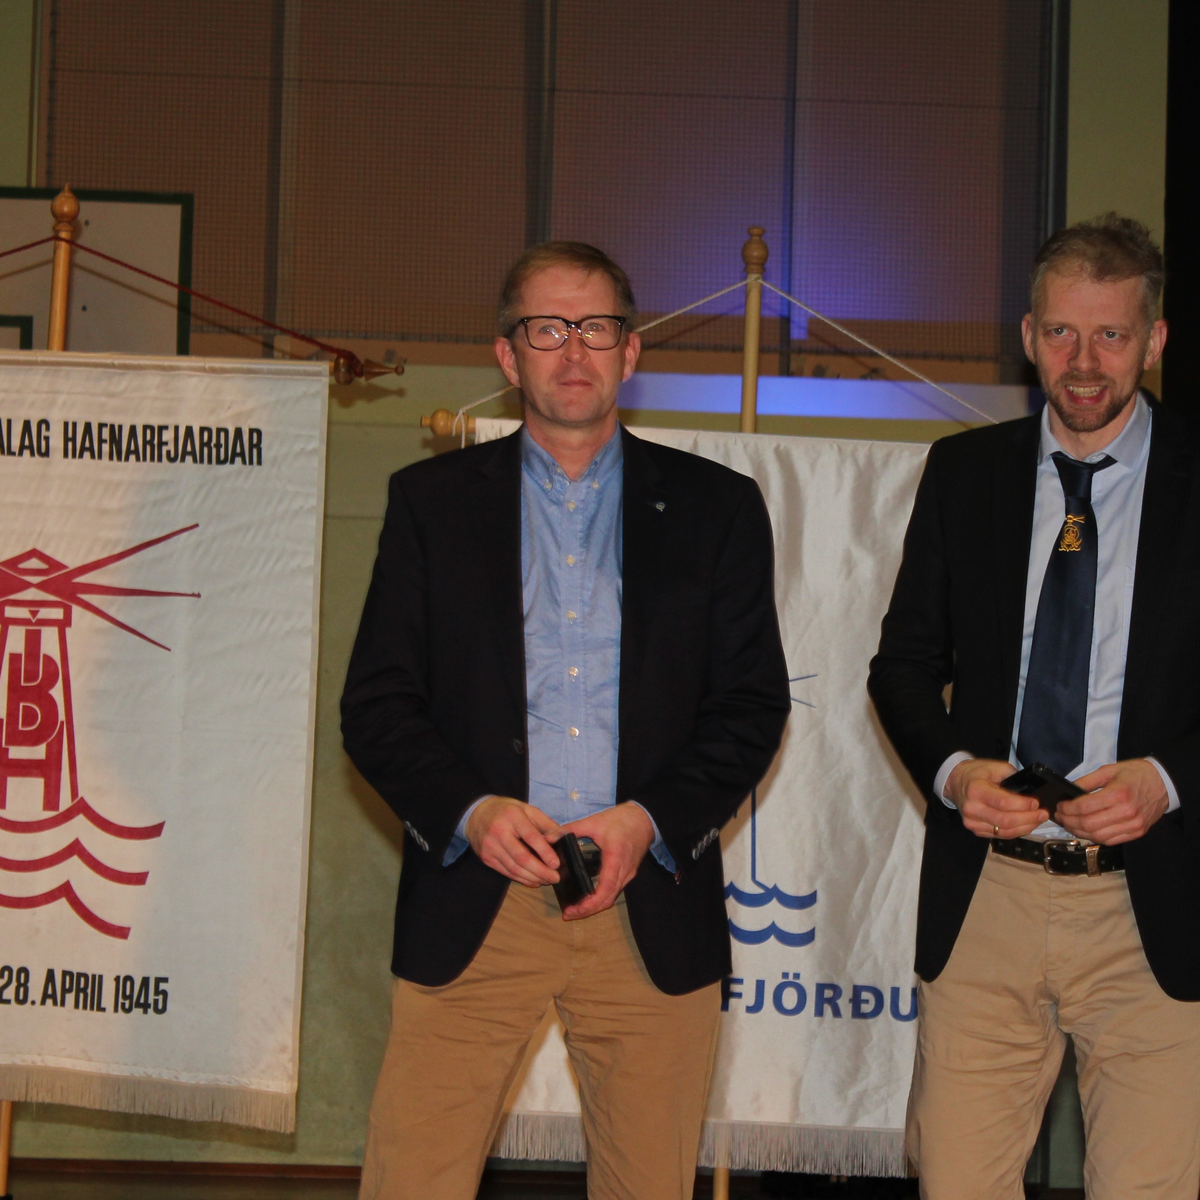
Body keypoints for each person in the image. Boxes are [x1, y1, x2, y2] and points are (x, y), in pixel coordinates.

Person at [341, 241, 790, 1200]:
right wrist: (472, 813)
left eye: (596, 327)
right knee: (410, 1181)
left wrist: (647, 821)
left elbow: (751, 706)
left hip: (648, 902)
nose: (574, 350)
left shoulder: (718, 508)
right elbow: (377, 706)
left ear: (632, 351)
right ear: (509, 356)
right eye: (548, 329)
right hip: (480, 900)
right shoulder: (430, 504)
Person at [867, 213, 1200, 1199]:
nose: (1084, 363)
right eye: (1061, 332)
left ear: (1154, 340)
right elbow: (902, 665)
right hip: (990, 900)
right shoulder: (964, 473)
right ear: (1027, 335)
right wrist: (954, 773)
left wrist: (1168, 779)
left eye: (1111, 335)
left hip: (1156, 905)